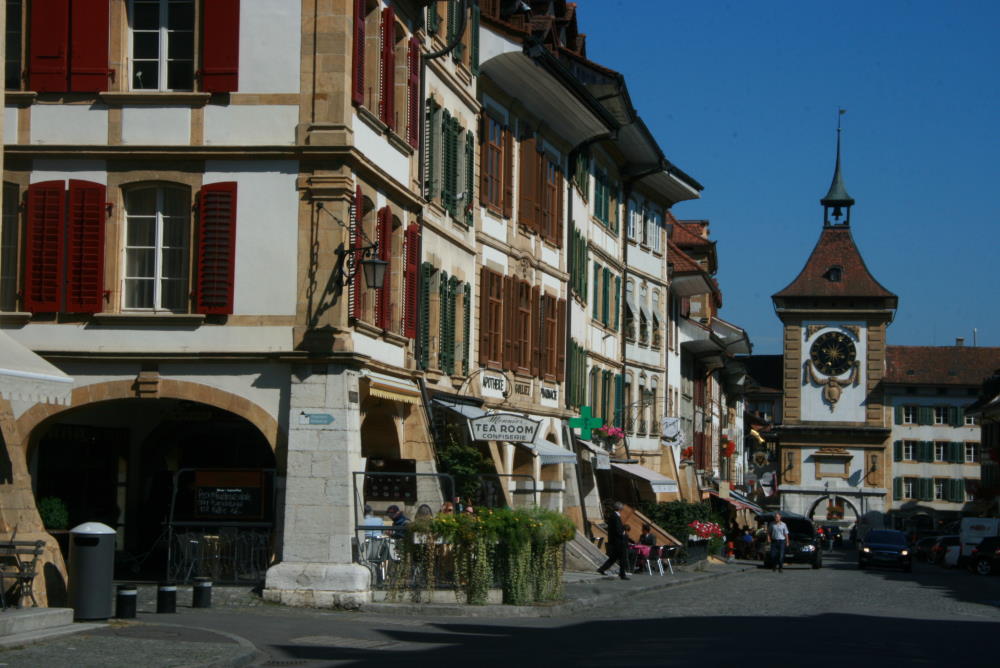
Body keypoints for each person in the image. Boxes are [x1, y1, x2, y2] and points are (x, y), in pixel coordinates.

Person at [597, 501, 631, 580]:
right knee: (622, 558)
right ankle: (622, 574)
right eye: (622, 508)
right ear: (620, 509)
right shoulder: (615, 516)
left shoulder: (615, 516)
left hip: (617, 541)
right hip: (618, 541)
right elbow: (617, 529)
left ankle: (602, 569)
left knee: (613, 558)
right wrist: (623, 530)